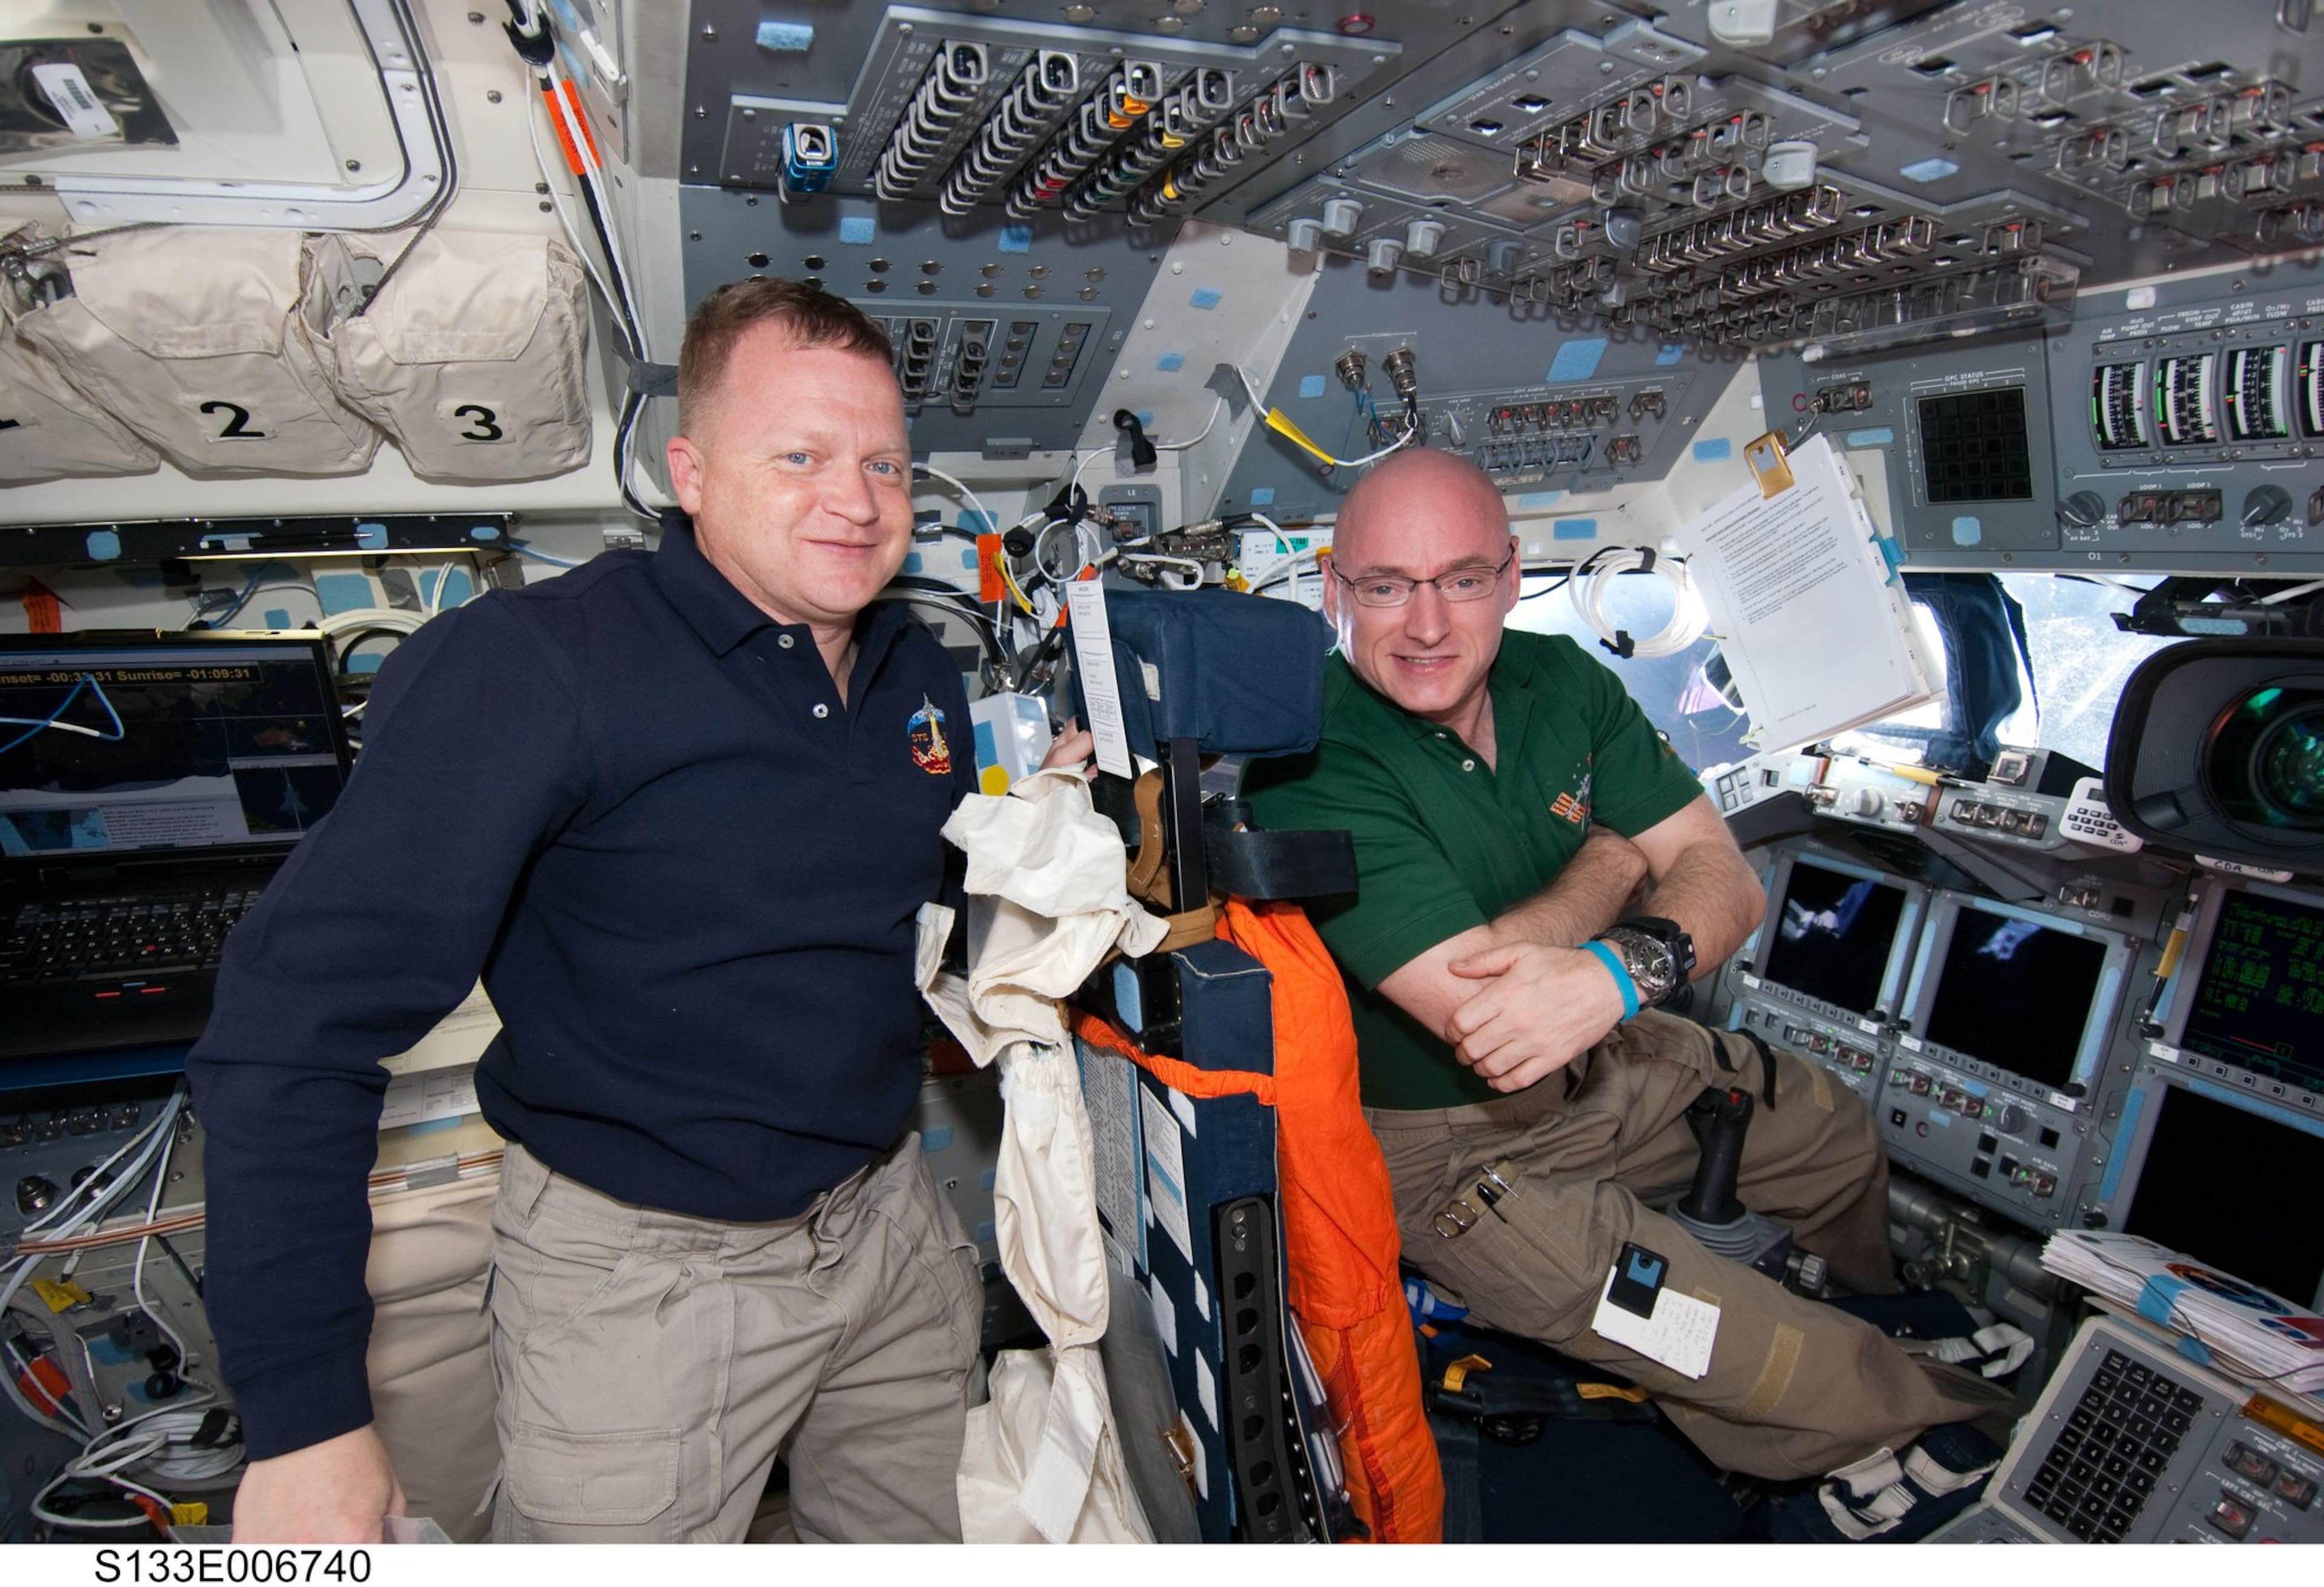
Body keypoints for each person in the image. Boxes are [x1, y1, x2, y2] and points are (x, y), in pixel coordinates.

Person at [189, 280, 1079, 1543]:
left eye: (886, 462)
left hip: (886, 1228)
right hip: (645, 1272)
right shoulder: (537, 667)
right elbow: (289, 1028)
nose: (858, 497)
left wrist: (1034, 823)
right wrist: (304, 1419)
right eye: (802, 455)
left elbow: (896, 886)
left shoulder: (913, 664)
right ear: (692, 471)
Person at [1240, 448, 2012, 1490]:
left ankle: (1883, 1311)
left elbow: (1727, 880)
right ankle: (1981, 1435)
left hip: (1611, 1058)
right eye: (1385, 588)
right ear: (1335, 589)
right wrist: (1616, 856)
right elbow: (1497, 1018)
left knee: (1828, 1127)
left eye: (1462, 580)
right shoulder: (1311, 763)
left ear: (1513, 577)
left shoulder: (1562, 677)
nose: (1427, 626)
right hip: (1452, 1158)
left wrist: (1612, 975)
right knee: (1806, 1372)